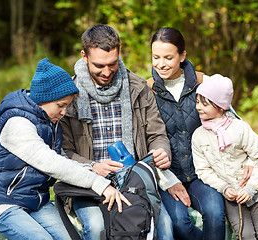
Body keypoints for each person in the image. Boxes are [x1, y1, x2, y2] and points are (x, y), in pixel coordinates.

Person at [0, 57, 130, 240]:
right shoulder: (17, 124)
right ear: (44, 98)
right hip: (3, 203)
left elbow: (61, 159)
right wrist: (99, 185)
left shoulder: (48, 121)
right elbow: (52, 163)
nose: (64, 112)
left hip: (35, 201)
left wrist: (91, 168)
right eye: (61, 106)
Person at [61, 24, 179, 240]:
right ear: (84, 56)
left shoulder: (138, 87)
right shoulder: (68, 96)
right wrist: (93, 167)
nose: (106, 72)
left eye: (112, 64)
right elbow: (62, 152)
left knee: (164, 226)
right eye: (99, 65)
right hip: (88, 185)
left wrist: (161, 150)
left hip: (133, 181)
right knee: (97, 228)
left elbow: (157, 135)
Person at [148, 27, 255, 240]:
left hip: (204, 173)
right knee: (179, 223)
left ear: (182, 56)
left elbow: (233, 122)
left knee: (215, 214)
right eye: (155, 57)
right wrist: (168, 180)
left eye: (168, 57)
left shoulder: (204, 83)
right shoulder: (147, 91)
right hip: (167, 176)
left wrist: (251, 158)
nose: (161, 64)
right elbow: (145, 141)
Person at [192, 74, 258, 239]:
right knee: (245, 234)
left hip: (257, 193)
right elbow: (203, 170)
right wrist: (223, 187)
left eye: (204, 103)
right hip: (232, 198)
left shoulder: (239, 128)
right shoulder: (198, 136)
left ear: (221, 106)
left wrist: (251, 187)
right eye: (197, 101)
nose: (198, 107)